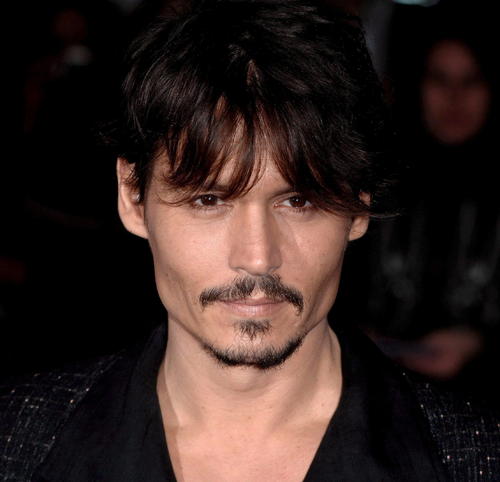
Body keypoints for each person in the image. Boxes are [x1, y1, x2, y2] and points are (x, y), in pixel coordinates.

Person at [1, 1, 498, 480]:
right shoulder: (18, 438)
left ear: (360, 205)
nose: (258, 257)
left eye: (299, 201)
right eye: (209, 201)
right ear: (133, 198)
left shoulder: (475, 457)